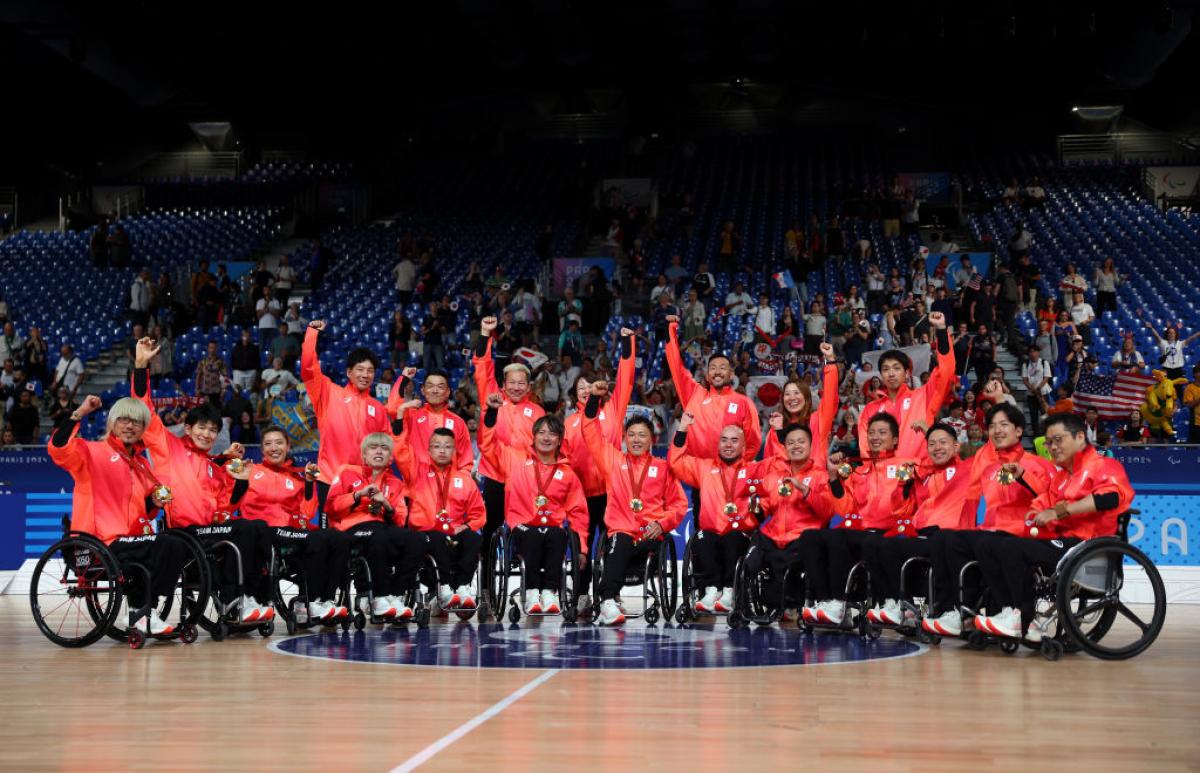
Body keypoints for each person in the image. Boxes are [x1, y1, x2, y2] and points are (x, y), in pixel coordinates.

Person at [131, 339, 269, 623]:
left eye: (213, 430)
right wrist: (142, 366)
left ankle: (250, 596)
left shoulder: (212, 466)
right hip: (183, 533)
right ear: (189, 427)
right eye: (202, 428)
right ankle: (233, 601)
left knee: (256, 528)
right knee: (243, 529)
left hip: (207, 533)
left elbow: (224, 507)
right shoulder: (169, 447)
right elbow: (143, 410)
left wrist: (241, 482)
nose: (207, 434)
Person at [972, 413, 1134, 640]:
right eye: (1048, 442)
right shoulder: (1062, 477)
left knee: (1011, 548)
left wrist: (1060, 510)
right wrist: (1034, 512)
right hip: (1061, 543)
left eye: (1058, 440)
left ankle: (1024, 619)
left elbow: (1111, 499)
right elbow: (1043, 503)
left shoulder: (1105, 465)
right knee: (989, 544)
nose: (1052, 447)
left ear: (1079, 437)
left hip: (1087, 547)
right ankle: (1009, 611)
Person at [49, 394, 187, 635]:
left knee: (176, 544)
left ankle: (143, 610)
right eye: (123, 419)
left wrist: (153, 501)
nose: (130, 425)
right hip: (96, 543)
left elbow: (144, 510)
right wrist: (80, 412)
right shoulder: (90, 452)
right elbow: (58, 448)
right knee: (166, 544)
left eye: (136, 422)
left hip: (129, 541)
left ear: (143, 429)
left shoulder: (141, 465)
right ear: (112, 423)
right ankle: (141, 612)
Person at [921, 404, 1057, 636]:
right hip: (992, 530)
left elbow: (1050, 497)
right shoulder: (988, 467)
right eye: (992, 426)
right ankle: (961, 612)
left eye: (1004, 425)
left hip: (1023, 533)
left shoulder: (1036, 464)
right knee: (944, 539)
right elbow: (970, 498)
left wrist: (1023, 476)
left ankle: (1016, 614)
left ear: (1019, 431)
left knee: (988, 543)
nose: (997, 430)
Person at [797, 412, 919, 624]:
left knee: (838, 537)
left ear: (896, 439)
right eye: (871, 432)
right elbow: (845, 510)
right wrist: (835, 479)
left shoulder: (907, 465)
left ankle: (841, 603)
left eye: (882, 432)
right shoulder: (859, 470)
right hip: (860, 531)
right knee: (810, 537)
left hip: (888, 532)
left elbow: (907, 506)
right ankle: (825, 601)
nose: (875, 437)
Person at [582, 382, 688, 626]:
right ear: (624, 438)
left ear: (653, 438)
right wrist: (593, 401)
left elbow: (679, 505)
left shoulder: (663, 469)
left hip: (651, 537)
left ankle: (608, 589)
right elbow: (590, 432)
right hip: (622, 533)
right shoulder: (613, 461)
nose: (637, 440)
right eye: (632, 435)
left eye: (642, 435)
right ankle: (608, 600)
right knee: (619, 539)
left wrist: (662, 524)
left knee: (620, 547)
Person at [859, 422, 975, 625]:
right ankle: (900, 604)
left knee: (920, 545)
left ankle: (937, 609)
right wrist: (903, 483)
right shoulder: (923, 475)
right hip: (922, 535)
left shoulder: (968, 470)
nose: (937, 447)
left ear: (956, 446)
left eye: (943, 442)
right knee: (879, 545)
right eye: (931, 444)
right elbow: (900, 511)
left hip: (950, 537)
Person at [480, 397, 588, 615]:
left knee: (558, 534)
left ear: (560, 441)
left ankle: (549, 592)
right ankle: (531, 594)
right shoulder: (515, 460)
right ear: (533, 437)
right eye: (541, 433)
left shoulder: (567, 474)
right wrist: (490, 414)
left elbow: (578, 513)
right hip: (521, 528)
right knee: (531, 534)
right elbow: (488, 446)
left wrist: (583, 548)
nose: (546, 438)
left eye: (552, 434)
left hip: (552, 530)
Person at [236, 426, 346, 622]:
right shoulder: (250, 471)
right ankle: (310, 601)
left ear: (288, 446)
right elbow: (232, 499)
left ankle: (326, 599)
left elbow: (306, 513)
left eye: (279, 442)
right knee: (315, 539)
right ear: (262, 450)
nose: (274, 447)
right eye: (268, 444)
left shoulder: (296, 478)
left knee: (338, 538)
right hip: (263, 532)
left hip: (289, 532)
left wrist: (310, 484)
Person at [669, 413, 770, 613]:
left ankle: (730, 591)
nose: (728, 445)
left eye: (734, 440)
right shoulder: (704, 467)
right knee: (702, 538)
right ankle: (711, 591)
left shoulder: (754, 469)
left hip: (740, 532)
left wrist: (757, 511)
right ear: (718, 444)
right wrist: (682, 429)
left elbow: (775, 485)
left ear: (743, 446)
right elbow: (676, 461)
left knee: (733, 538)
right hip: (711, 532)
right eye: (724, 440)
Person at [392, 407, 486, 611]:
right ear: (429, 450)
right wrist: (400, 417)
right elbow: (399, 451)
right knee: (436, 538)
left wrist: (467, 526)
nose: (442, 450)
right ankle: (444, 588)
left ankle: (461, 587)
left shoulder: (464, 479)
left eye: (447, 447)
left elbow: (479, 514)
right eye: (437, 446)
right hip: (426, 533)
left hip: (454, 532)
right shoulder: (416, 472)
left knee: (474, 538)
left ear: (455, 451)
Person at [325, 433, 424, 619]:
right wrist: (357, 495)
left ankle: (395, 594)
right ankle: (376, 596)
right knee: (379, 535)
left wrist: (387, 505)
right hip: (350, 529)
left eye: (384, 448)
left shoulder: (395, 483)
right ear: (363, 455)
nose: (379, 451)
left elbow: (401, 520)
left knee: (417, 539)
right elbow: (330, 507)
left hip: (382, 529)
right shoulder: (347, 472)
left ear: (391, 457)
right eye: (373, 447)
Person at [562, 328, 636, 569]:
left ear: (600, 388)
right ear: (574, 393)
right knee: (581, 547)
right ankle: (581, 595)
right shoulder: (568, 423)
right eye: (580, 387)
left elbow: (626, 378)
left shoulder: (613, 411)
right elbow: (562, 458)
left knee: (612, 545)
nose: (585, 390)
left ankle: (607, 595)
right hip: (580, 493)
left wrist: (627, 342)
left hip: (610, 490)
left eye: (590, 385)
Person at [301, 320, 390, 512]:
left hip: (363, 483)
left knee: (359, 534)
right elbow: (308, 369)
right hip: (329, 478)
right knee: (329, 538)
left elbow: (387, 447)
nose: (365, 375)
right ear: (349, 372)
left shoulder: (378, 408)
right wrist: (311, 334)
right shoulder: (328, 393)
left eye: (370, 371)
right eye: (360, 369)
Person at [473, 315, 545, 550]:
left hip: (525, 478)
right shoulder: (492, 398)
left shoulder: (536, 411)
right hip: (494, 475)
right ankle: (485, 584)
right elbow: (483, 367)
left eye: (521, 383)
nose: (516, 387)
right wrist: (486, 333)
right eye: (511, 382)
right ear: (503, 384)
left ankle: (526, 571)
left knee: (526, 529)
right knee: (491, 528)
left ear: (529, 386)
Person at [857, 312, 952, 460]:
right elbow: (865, 448)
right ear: (881, 375)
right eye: (886, 369)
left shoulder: (923, 397)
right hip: (884, 478)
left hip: (917, 475)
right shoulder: (871, 409)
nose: (891, 373)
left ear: (907, 373)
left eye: (896, 368)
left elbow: (945, 371)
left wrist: (940, 329)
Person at [664, 316, 761, 460]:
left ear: (731, 374)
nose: (717, 371)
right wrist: (670, 329)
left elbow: (753, 443)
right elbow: (676, 366)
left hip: (730, 476)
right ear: (708, 375)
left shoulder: (744, 403)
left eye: (723, 368)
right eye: (713, 368)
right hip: (700, 476)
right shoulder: (694, 394)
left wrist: (735, 468)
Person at [763, 343, 838, 464]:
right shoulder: (776, 428)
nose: (792, 398)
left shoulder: (818, 421)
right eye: (787, 394)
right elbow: (769, 463)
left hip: (814, 481)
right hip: (784, 482)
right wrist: (778, 431)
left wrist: (830, 362)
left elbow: (830, 394)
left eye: (796, 393)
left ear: (806, 398)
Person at [386, 366, 473, 471]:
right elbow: (393, 409)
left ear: (448, 392)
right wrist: (404, 378)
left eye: (440, 387)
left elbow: (465, 463)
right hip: (416, 483)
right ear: (423, 390)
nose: (435, 391)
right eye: (430, 386)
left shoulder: (458, 423)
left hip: (447, 484)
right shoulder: (411, 416)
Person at [1022, 343, 1053, 436]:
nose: (1032, 353)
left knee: (1045, 413)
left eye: (1034, 351)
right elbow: (1024, 379)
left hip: (1043, 392)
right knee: (1033, 415)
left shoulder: (1044, 362)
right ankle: (1036, 436)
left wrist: (1038, 388)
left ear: (1038, 352)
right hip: (1031, 393)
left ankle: (1047, 433)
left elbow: (1046, 377)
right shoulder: (1026, 364)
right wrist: (1032, 389)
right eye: (1030, 352)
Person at [194, 341, 228, 407]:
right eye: (210, 348)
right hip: (204, 392)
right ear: (208, 349)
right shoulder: (202, 362)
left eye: (214, 348)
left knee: (216, 413)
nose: (212, 350)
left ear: (216, 349)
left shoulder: (221, 362)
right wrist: (197, 389)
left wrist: (223, 390)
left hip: (216, 392)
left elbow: (225, 378)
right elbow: (198, 376)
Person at [1184, 364, 1200, 445]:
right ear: (1195, 374)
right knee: (1194, 448)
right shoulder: (1189, 388)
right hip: (1196, 424)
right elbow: (1189, 405)